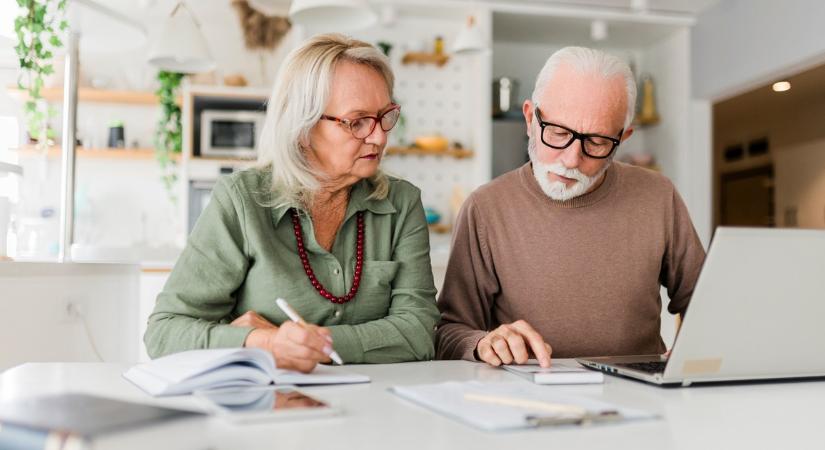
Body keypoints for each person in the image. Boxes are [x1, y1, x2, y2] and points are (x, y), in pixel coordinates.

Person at [145, 34, 440, 373]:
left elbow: (418, 332)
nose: (379, 136)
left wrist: (310, 345)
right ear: (303, 125)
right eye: (357, 122)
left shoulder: (402, 203)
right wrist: (260, 343)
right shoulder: (242, 200)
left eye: (385, 116)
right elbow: (164, 333)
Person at [435, 46, 706, 368]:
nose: (571, 159)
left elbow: (704, 300)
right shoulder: (485, 207)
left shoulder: (658, 195)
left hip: (640, 390)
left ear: (625, 137)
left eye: (597, 142)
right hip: (527, 394)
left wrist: (698, 352)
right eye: (558, 133)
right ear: (529, 118)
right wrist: (482, 343)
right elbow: (449, 332)